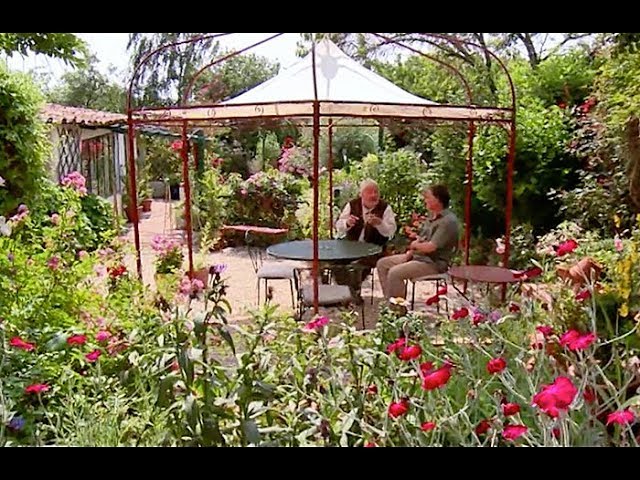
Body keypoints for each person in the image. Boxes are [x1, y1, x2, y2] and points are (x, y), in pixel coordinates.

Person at [376, 184, 459, 300]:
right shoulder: (432, 217)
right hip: (419, 257)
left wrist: (415, 245)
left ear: (438, 199)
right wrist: (412, 250)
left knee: (395, 273)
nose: (425, 200)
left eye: (428, 197)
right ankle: (391, 302)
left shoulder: (447, 221)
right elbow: (423, 239)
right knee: (382, 264)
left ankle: (397, 313)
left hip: (433, 263)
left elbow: (431, 247)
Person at [334, 179, 397, 302]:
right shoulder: (352, 205)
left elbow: (390, 233)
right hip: (350, 247)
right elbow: (339, 226)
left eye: (376, 192)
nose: (374, 195)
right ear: (361, 194)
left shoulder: (385, 208)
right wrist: (347, 223)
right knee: (335, 263)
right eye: (370, 192)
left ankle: (351, 293)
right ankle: (346, 291)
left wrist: (380, 224)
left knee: (359, 266)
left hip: (374, 249)